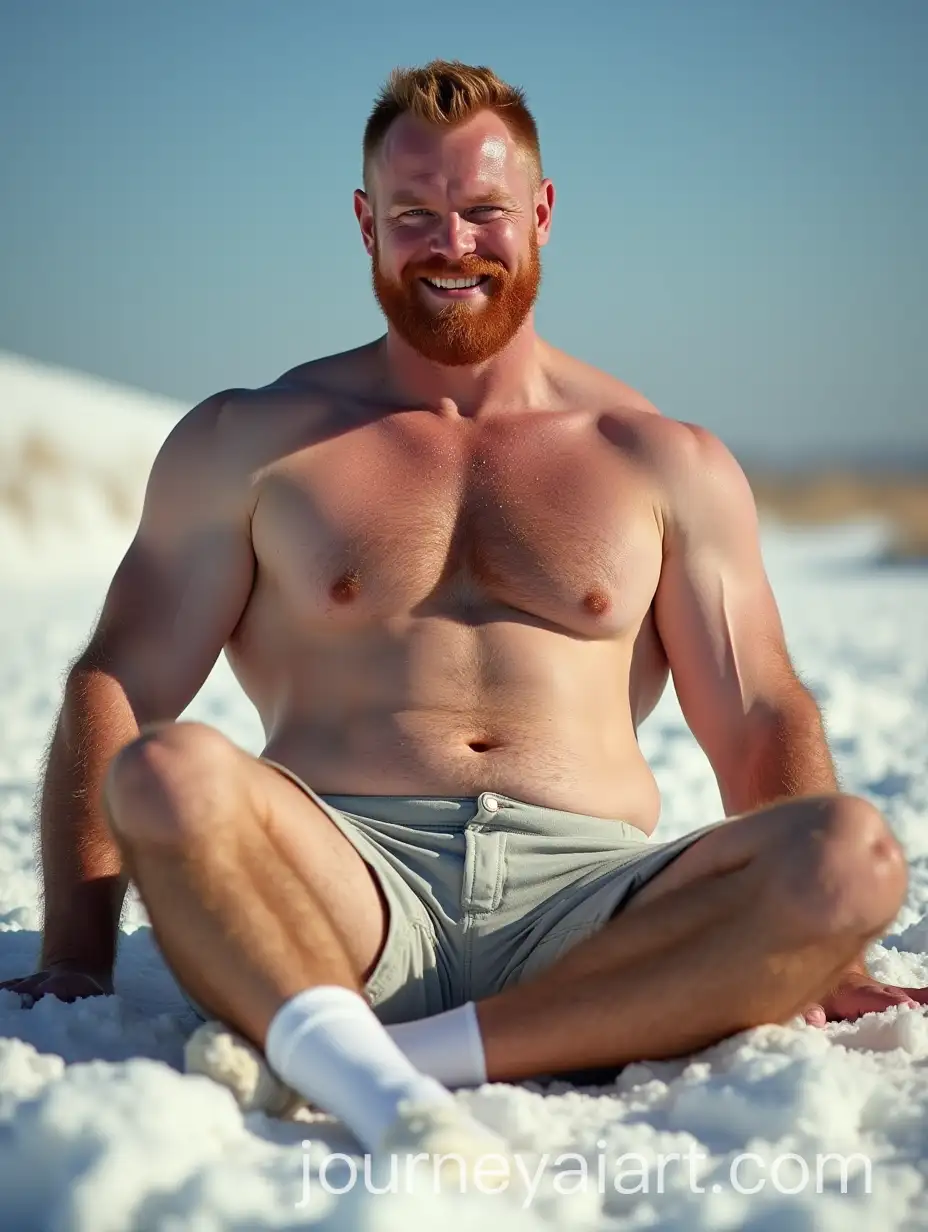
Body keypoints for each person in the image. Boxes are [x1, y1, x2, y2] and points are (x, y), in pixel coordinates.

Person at [4, 61, 926, 1165]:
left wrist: (814, 946)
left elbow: (759, 706)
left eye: (484, 210)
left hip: (586, 894)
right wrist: (76, 954)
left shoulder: (661, 458)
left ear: (538, 213)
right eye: (415, 215)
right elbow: (120, 676)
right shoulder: (247, 441)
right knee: (167, 770)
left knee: (850, 857)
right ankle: (378, 1055)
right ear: (365, 224)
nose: (452, 244)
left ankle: (398, 1057)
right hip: (340, 876)